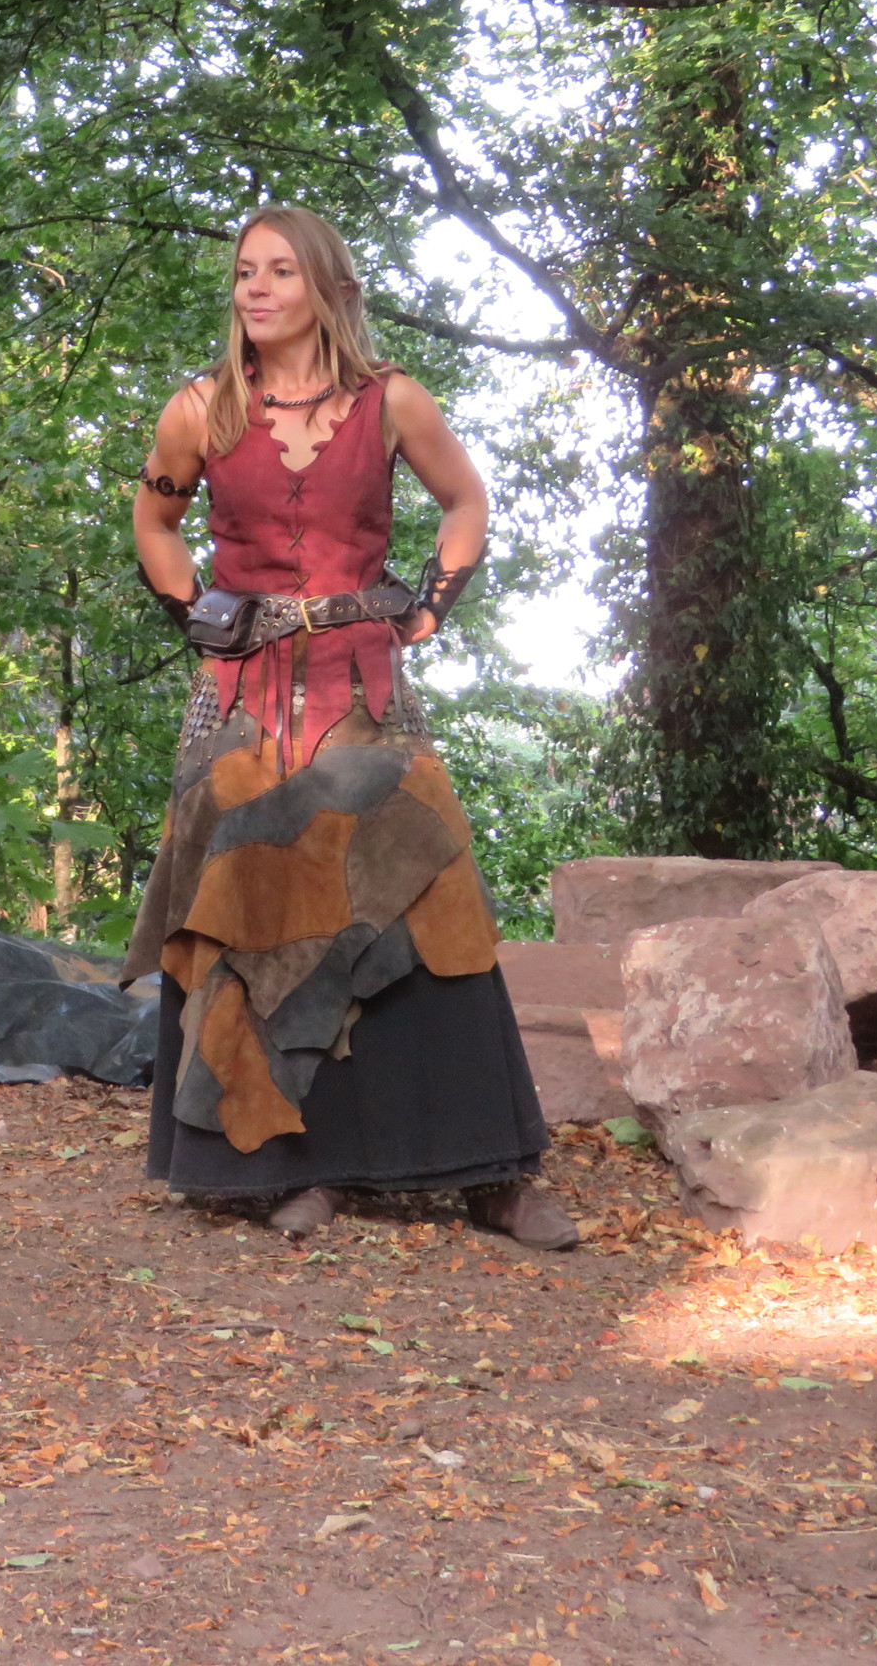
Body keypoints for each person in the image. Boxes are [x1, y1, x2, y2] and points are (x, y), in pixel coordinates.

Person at [125, 204, 576, 1249]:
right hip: (243, 698)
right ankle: (301, 1167)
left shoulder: (391, 400)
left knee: (431, 898)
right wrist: (196, 615)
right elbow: (155, 520)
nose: (256, 287)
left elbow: (465, 501)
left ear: (330, 288)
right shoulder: (198, 410)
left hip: (364, 685)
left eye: (281, 270)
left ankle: (489, 1172)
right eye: (246, 270)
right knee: (256, 905)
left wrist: (431, 607)